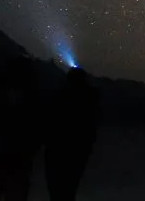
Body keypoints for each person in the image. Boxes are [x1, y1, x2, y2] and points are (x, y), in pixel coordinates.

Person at [0, 56, 41, 201]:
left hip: (6, 153)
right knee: (10, 188)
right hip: (12, 154)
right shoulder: (29, 97)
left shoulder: (0, 94)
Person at [45, 67, 98, 201]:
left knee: (58, 190)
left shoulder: (60, 97)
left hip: (59, 152)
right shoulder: (89, 100)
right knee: (69, 190)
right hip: (76, 153)